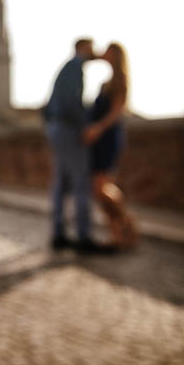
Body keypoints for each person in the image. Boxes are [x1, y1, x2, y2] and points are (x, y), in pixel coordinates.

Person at [43, 38, 108, 253]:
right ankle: (84, 237)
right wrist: (85, 126)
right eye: (91, 47)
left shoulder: (67, 68)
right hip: (68, 130)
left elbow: (49, 106)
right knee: (81, 183)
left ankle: (59, 234)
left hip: (57, 129)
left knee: (60, 184)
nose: (94, 51)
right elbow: (71, 102)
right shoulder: (75, 67)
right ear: (82, 48)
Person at [83, 42, 138, 247]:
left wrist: (97, 128)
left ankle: (126, 222)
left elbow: (116, 113)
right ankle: (117, 233)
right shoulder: (107, 81)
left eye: (107, 51)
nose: (103, 53)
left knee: (101, 187)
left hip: (107, 138)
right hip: (98, 139)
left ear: (115, 55)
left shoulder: (119, 81)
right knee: (100, 189)